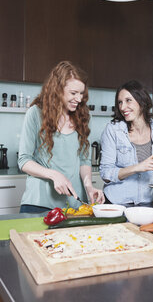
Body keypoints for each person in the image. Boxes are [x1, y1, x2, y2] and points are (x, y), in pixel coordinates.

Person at [18, 61, 105, 213]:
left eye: (81, 93)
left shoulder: (83, 117)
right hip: (40, 201)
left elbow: (84, 161)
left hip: (75, 204)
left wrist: (89, 186)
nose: (79, 99)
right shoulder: (35, 114)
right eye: (73, 93)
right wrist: (54, 175)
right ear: (57, 89)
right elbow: (24, 160)